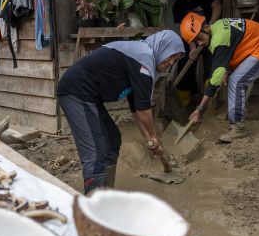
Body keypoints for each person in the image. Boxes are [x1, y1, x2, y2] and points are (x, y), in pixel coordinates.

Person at [57, 30, 184, 192]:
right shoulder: (143, 59)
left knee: (112, 139)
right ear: (162, 47)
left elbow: (136, 110)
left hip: (90, 96)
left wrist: (148, 139)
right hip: (75, 92)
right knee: (96, 153)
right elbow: (144, 109)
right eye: (171, 56)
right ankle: (95, 206)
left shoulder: (143, 62)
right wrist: (154, 136)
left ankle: (106, 192)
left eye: (175, 60)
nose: (171, 62)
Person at [180, 13, 259, 143]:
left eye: (199, 38)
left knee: (236, 81)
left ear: (206, 27)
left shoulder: (220, 38)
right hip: (255, 45)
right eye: (195, 41)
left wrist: (200, 108)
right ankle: (235, 115)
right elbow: (231, 49)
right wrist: (226, 69)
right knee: (233, 78)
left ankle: (238, 128)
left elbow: (214, 81)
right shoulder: (217, 28)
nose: (199, 43)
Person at [171, 0, 222, 107]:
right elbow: (183, 29)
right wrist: (192, 47)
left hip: (210, 35)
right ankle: (185, 106)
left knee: (211, 67)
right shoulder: (178, 5)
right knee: (185, 67)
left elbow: (217, 6)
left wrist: (209, 27)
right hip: (189, 40)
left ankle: (209, 104)